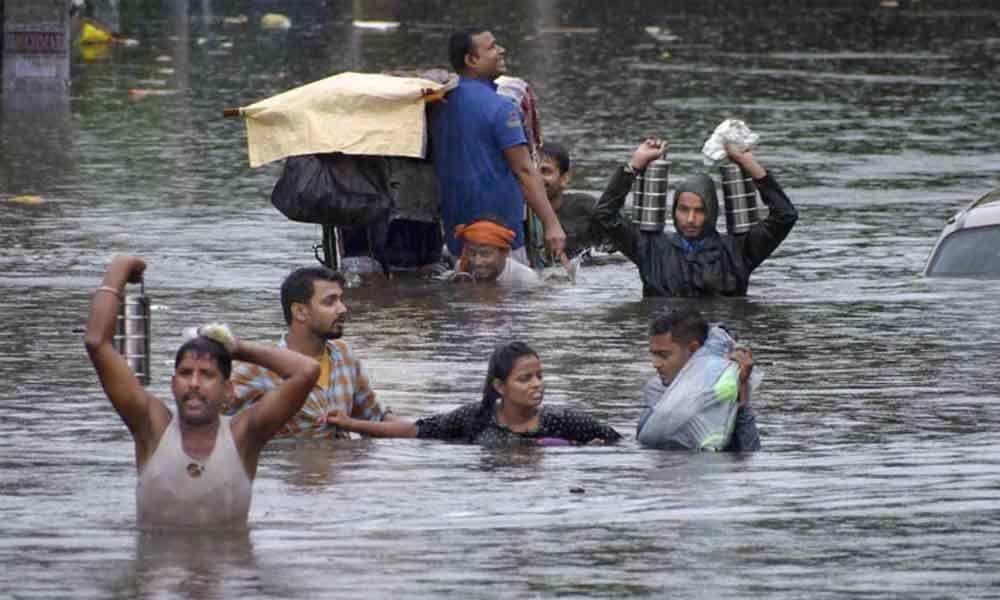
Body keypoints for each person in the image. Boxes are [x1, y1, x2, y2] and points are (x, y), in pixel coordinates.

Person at [83, 256, 320, 529]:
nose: (194, 383)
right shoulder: (151, 426)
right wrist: (119, 268)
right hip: (158, 570)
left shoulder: (244, 435)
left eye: (207, 375)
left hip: (228, 570)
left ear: (228, 390)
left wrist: (236, 346)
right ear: (173, 384)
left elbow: (307, 371)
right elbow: (96, 342)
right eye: (185, 373)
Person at [592, 138, 798, 297]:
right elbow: (604, 215)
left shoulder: (738, 251)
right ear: (674, 210)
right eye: (683, 209)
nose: (690, 219)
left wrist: (750, 165)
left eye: (700, 211)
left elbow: (785, 216)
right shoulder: (650, 247)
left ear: (712, 213)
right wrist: (634, 166)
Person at [428, 28, 566, 263]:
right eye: (491, 47)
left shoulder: (437, 104)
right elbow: (523, 170)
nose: (501, 50)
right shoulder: (501, 108)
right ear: (471, 60)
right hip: (501, 238)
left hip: (457, 236)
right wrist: (552, 224)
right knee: (510, 298)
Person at [318, 341, 622, 447]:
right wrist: (351, 424)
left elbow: (616, 442)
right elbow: (415, 431)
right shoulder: (474, 418)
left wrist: (592, 451)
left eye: (540, 376)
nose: (537, 385)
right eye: (525, 378)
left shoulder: (563, 421)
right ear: (500, 387)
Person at [225, 266, 395, 438]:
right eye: (330, 302)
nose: (342, 309)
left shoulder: (345, 356)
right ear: (300, 312)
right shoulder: (260, 368)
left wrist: (419, 431)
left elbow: (376, 418)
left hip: (343, 463)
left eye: (340, 300)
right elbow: (211, 420)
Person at [636, 309, 761, 451]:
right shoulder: (657, 390)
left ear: (693, 349)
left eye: (663, 355)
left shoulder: (717, 393)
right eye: (654, 355)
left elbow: (749, 454)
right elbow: (643, 443)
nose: (656, 364)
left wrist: (742, 389)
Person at [451, 215, 541, 285]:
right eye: (472, 253)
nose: (477, 262)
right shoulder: (462, 269)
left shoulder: (525, 279)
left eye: (485, 254)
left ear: (505, 252)